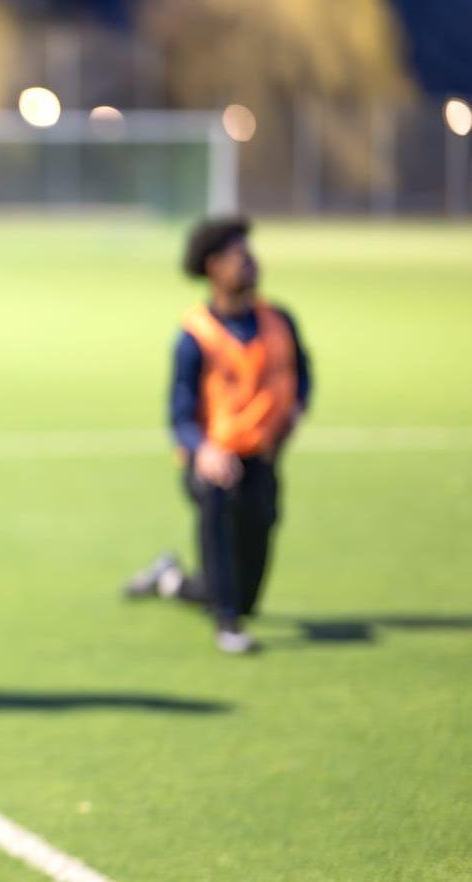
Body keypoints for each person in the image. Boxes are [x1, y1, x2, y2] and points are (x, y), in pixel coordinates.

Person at [124, 217, 312, 653]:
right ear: (213, 267)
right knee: (217, 498)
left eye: (251, 255)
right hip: (214, 461)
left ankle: (171, 580)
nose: (250, 264)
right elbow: (179, 414)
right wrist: (204, 450)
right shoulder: (194, 335)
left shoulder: (278, 319)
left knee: (245, 595)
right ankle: (227, 626)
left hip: (262, 462)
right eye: (239, 257)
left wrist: (299, 405)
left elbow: (302, 372)